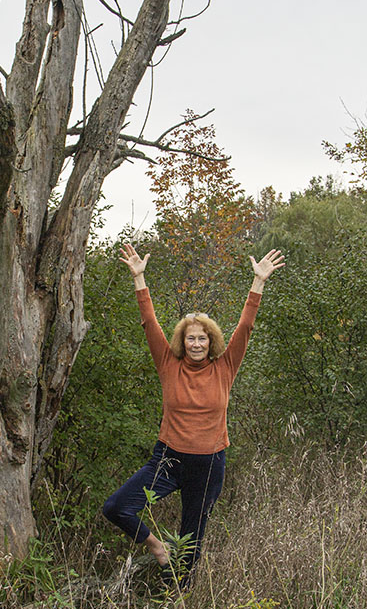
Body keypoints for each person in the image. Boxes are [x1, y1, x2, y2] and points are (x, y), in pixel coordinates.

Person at [102, 242, 285, 586]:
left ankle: (176, 598)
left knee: (191, 543)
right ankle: (157, 549)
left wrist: (258, 283)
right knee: (117, 507)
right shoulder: (168, 365)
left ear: (211, 341)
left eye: (202, 338)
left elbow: (245, 328)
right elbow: (148, 322)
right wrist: (139, 279)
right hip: (167, 459)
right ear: (182, 342)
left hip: (209, 463)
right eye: (190, 339)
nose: (196, 344)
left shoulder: (225, 367)